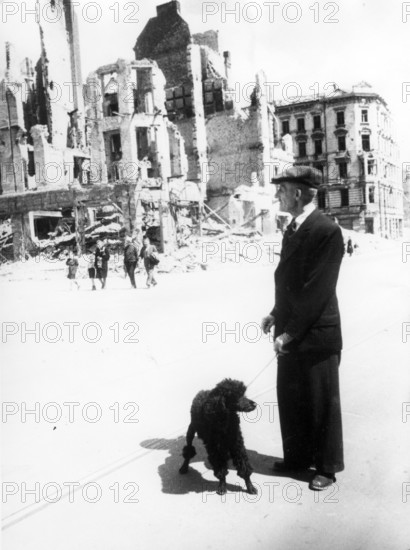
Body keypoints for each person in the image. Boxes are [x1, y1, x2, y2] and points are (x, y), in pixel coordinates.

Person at [261, 165, 345, 491]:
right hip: (293, 328)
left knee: (322, 402)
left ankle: (326, 466)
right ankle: (297, 457)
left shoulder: (326, 230)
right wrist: (274, 314)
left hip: (316, 334)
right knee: (292, 397)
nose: (277, 195)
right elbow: (291, 283)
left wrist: (288, 333)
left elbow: (316, 290)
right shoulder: (295, 228)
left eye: (281, 190)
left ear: (297, 193)